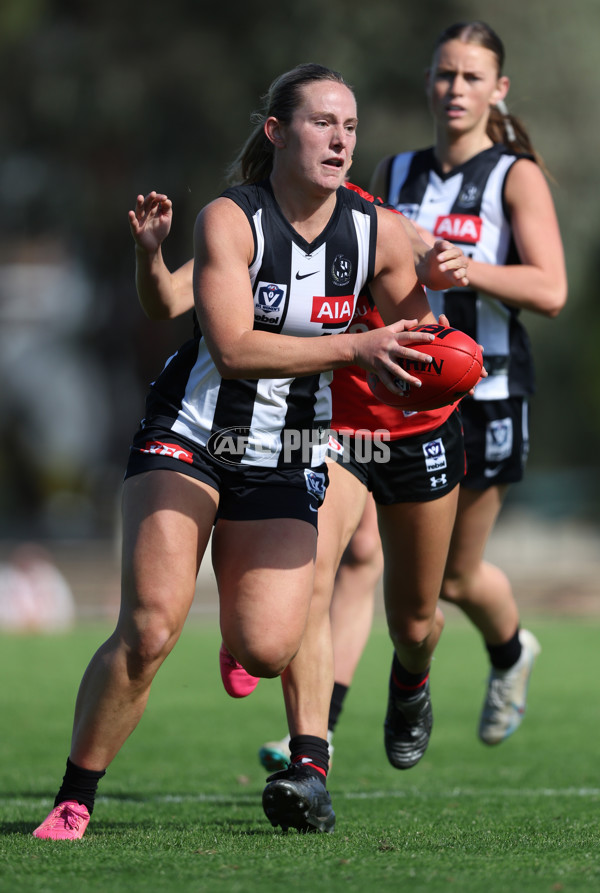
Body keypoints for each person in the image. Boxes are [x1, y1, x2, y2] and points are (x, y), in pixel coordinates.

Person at [32, 62, 455, 841]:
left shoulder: (378, 234)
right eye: (322, 122)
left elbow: (423, 347)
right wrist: (356, 344)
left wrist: (446, 297)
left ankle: (239, 615)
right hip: (191, 433)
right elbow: (228, 348)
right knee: (152, 625)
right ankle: (74, 797)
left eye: (351, 126)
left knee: (265, 647)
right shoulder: (233, 218)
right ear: (277, 132)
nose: (340, 139)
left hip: (288, 448)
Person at [260, 19, 568, 770]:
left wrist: (470, 272)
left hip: (484, 391)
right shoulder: (394, 173)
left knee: (450, 580)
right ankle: (316, 733)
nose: (454, 89)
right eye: (443, 74)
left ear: (498, 89)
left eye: (470, 77)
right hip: (378, 397)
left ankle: (506, 650)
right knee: (349, 554)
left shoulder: (513, 174)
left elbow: (552, 289)